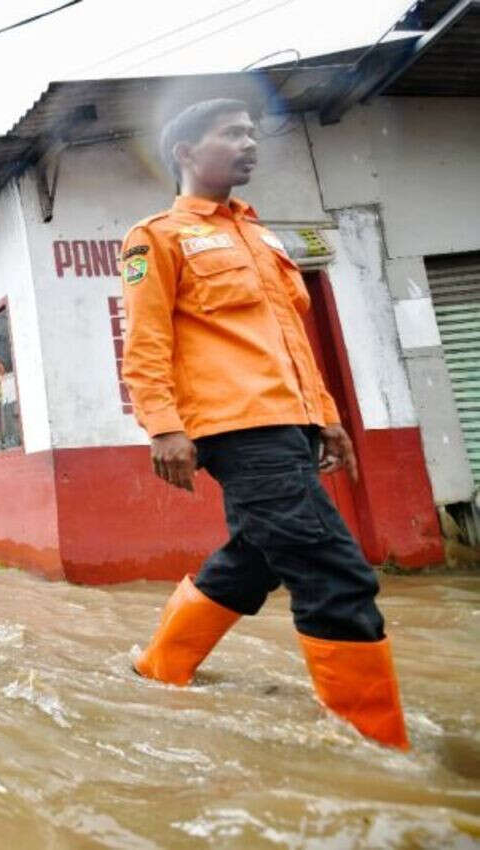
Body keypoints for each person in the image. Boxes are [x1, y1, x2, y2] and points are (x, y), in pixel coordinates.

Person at [121, 99, 408, 749]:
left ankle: (159, 667)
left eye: (253, 132)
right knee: (332, 569)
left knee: (256, 557)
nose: (251, 143)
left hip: (292, 423)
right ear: (186, 152)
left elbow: (292, 338)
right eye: (232, 133)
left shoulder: (262, 237)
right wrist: (163, 427)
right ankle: (378, 752)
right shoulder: (158, 235)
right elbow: (144, 342)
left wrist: (327, 417)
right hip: (234, 426)